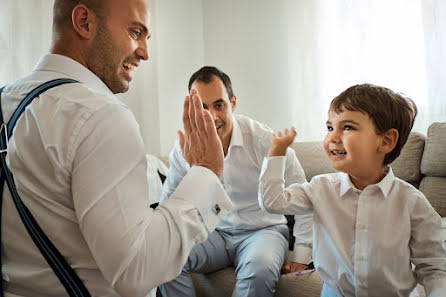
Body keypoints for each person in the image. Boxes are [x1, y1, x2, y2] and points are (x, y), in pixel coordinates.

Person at [0, 1, 233, 296]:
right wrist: (206, 172)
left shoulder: (6, 101)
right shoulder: (100, 115)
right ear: (84, 21)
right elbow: (136, 270)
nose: (145, 53)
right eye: (136, 32)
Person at [259, 84, 446, 297]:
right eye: (330, 128)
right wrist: (276, 152)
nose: (333, 137)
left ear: (386, 141)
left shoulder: (412, 202)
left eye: (347, 127)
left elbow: (433, 267)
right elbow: (272, 202)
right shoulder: (320, 188)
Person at [159, 66, 313, 297]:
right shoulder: (184, 147)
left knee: (259, 271)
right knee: (163, 255)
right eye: (202, 107)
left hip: (263, 231)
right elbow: (169, 201)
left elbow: (305, 197)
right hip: (215, 234)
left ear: (233, 102)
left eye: (218, 105)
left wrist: (302, 256)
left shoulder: (263, 139)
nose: (211, 116)